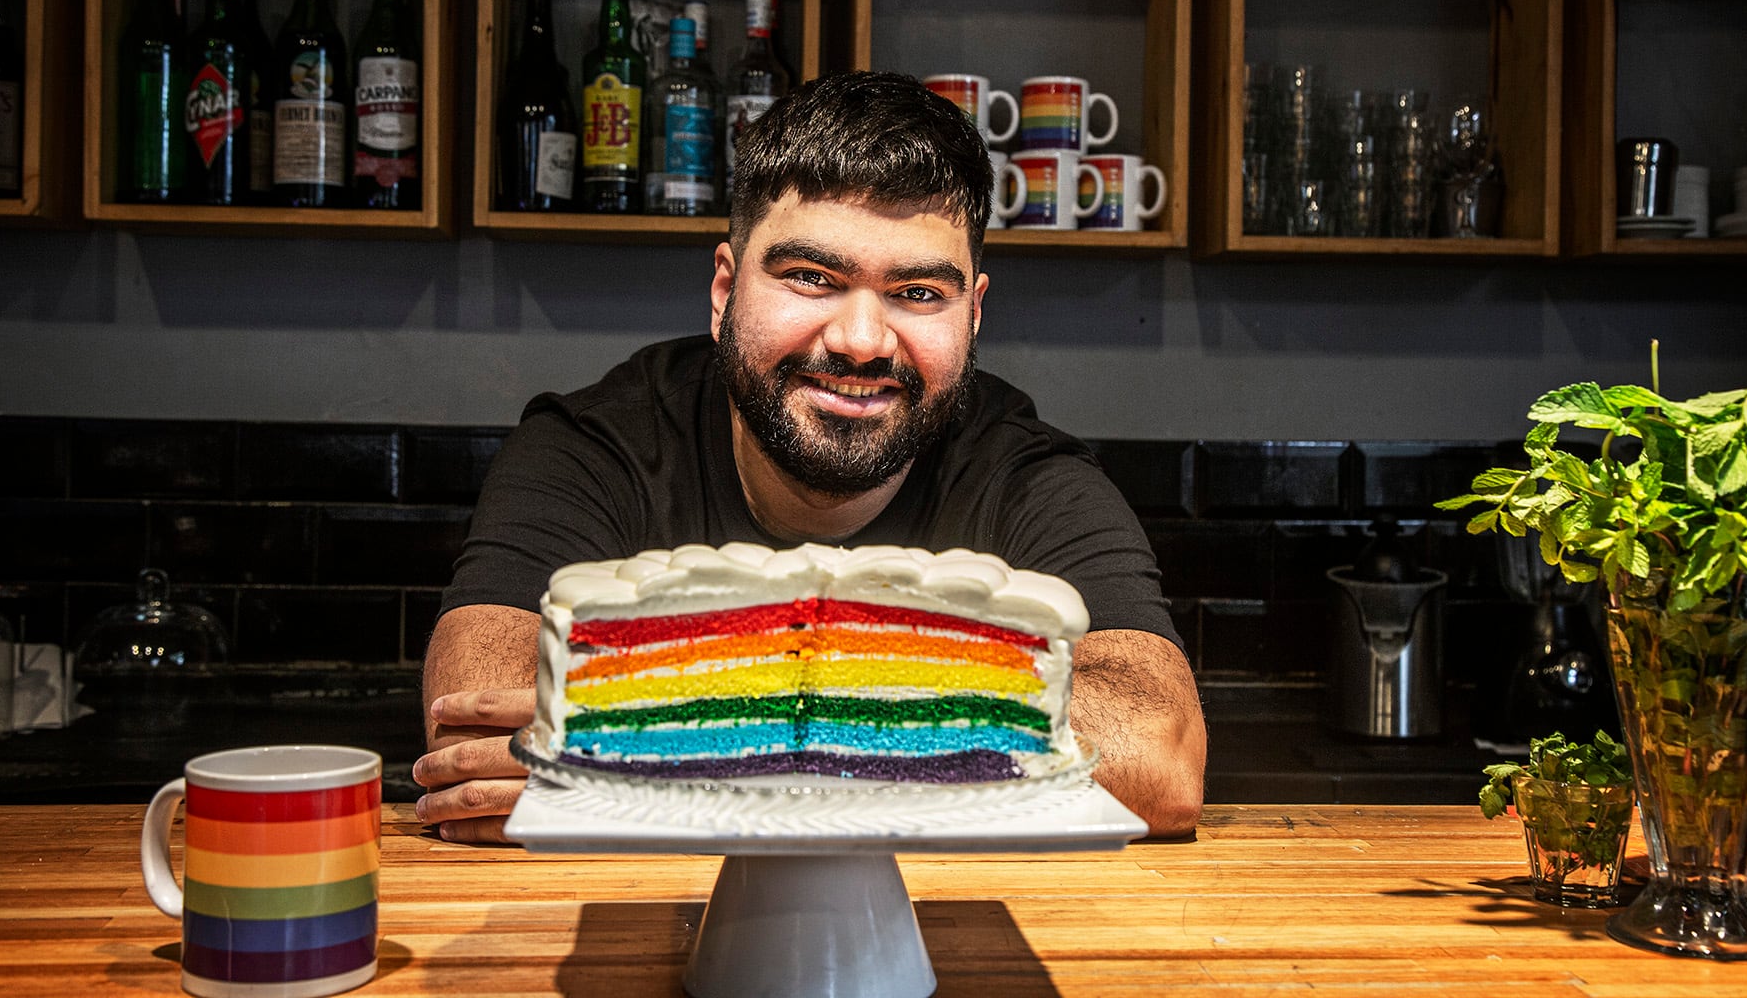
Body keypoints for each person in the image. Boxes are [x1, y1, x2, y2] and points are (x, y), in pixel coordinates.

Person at [416, 71, 1207, 843]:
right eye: (810, 277)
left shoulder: (1030, 476)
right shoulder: (593, 445)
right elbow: (475, 723)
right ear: (725, 290)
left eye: (920, 293)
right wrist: (940, 733)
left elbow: (1157, 755)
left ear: (973, 315)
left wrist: (656, 731)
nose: (861, 341)